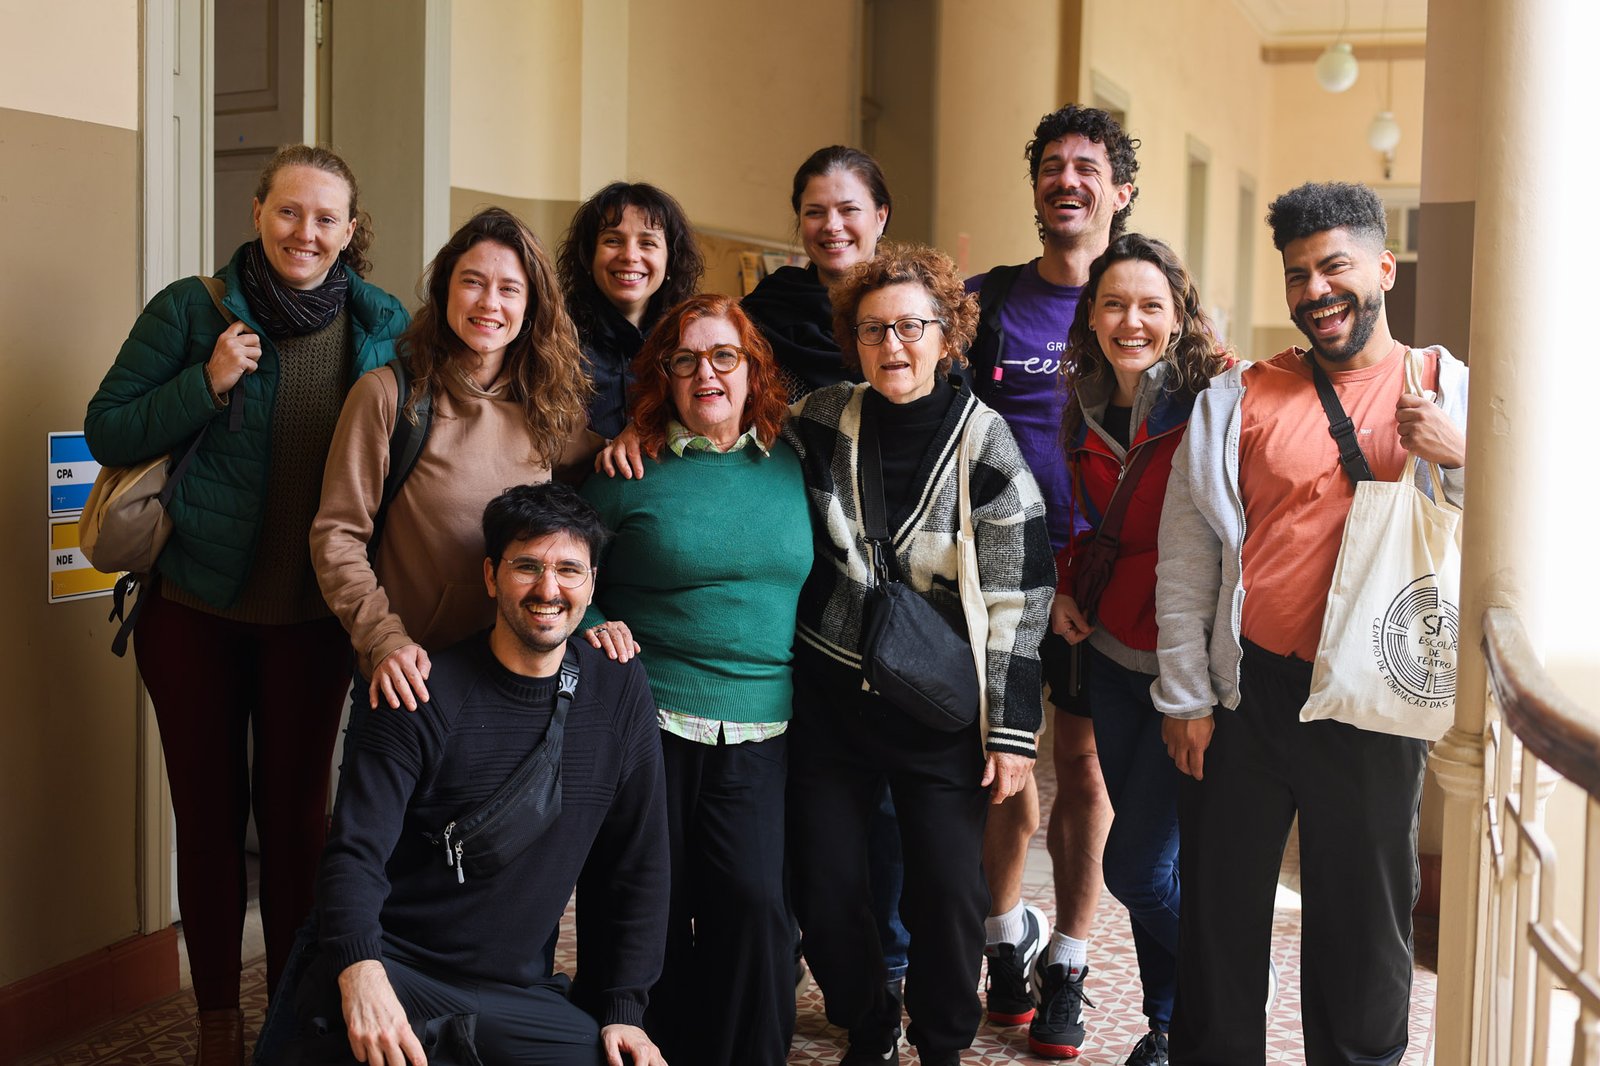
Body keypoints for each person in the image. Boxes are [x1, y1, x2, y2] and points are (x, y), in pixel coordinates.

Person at [83, 145, 408, 1065]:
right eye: (288, 211)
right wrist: (205, 383)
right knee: (210, 817)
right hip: (194, 612)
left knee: (303, 823)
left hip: (313, 622)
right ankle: (218, 1024)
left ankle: (296, 1017)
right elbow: (108, 424)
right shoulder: (193, 309)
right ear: (259, 212)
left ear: (351, 231)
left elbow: (420, 441)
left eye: (325, 218)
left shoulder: (383, 324)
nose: (305, 232)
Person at [1154, 182, 1468, 1065]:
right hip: (1247, 689)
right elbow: (1188, 558)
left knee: (1365, 931)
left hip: (1374, 698)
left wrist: (1465, 457)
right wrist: (1185, 695)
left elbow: (1519, 541)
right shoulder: (1237, 397)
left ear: (1383, 269)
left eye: (1334, 266)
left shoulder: (1449, 391)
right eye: (1298, 275)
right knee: (1219, 923)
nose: (1316, 290)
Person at [286, 482, 668, 1066]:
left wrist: (625, 1011)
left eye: (569, 570)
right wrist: (360, 971)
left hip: (516, 996)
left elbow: (638, 863)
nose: (548, 589)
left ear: (593, 584)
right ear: (491, 577)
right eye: (527, 567)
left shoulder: (620, 690)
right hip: (401, 969)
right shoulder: (418, 691)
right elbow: (353, 853)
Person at [785, 244, 1055, 1066]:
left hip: (941, 703)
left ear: (948, 336)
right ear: (853, 340)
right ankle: (868, 1020)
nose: (892, 345)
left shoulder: (988, 446)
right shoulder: (822, 417)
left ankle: (940, 1044)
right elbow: (736, 448)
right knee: (825, 888)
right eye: (873, 330)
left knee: (948, 896)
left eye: (911, 327)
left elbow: (1021, 597)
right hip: (833, 697)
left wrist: (1010, 735)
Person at [577, 294, 810, 1066]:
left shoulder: (795, 461)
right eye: (685, 360)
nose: (705, 372)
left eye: (723, 356)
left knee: (755, 904)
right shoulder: (627, 467)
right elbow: (567, 575)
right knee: (648, 902)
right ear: (664, 379)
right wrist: (592, 625)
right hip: (651, 718)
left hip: (763, 723)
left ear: (753, 372)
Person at [963, 103, 1139, 1059]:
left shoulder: (1141, 295)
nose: (1067, 179)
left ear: (1120, 190)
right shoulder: (988, 301)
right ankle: (1003, 946)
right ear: (1035, 186)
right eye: (1051, 166)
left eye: (1087, 166)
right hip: (1001, 575)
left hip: (1104, 578)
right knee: (999, 771)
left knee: (1083, 769)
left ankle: (1067, 959)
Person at [311, 206, 600, 725]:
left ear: (531, 305)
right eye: (473, 282)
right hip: (412, 676)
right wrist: (383, 640)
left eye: (510, 289)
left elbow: (597, 481)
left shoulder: (549, 408)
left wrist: (630, 446)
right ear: (445, 290)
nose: (489, 303)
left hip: (518, 679)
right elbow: (336, 537)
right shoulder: (387, 396)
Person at [1052, 234, 1230, 1066]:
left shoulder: (1213, 401)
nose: (1131, 321)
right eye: (1114, 304)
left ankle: (1226, 989)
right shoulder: (1084, 398)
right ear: (1091, 316)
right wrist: (1063, 584)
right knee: (1160, 859)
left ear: (1179, 316)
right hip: (1115, 662)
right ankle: (1168, 1030)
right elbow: (1091, 527)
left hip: (1185, 673)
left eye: (1150, 306)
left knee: (1137, 869)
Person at [556, 181, 704, 438]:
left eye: (647, 243)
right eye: (613, 240)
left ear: (670, 261)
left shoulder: (691, 337)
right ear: (588, 256)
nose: (630, 256)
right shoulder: (553, 335)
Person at [741, 145, 889, 397]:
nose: (832, 225)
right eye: (815, 212)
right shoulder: (764, 311)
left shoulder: (917, 318)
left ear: (880, 217)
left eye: (849, 210)